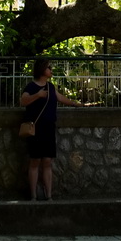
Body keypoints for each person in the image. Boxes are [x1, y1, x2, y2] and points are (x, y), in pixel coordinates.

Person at [20, 57, 83, 201]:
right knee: (35, 161)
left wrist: (75, 104)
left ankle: (49, 195)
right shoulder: (31, 87)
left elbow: (60, 98)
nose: (51, 70)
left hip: (48, 127)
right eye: (49, 68)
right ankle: (34, 195)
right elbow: (23, 101)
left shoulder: (51, 87)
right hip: (35, 128)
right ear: (42, 70)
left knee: (47, 161)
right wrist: (38, 95)